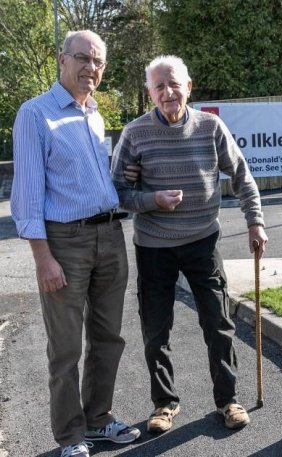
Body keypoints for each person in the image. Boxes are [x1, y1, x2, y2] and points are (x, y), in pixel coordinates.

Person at [110, 55, 267, 434]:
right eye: (159, 86)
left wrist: (255, 222)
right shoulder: (135, 133)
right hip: (154, 246)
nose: (168, 92)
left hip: (202, 241)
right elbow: (118, 192)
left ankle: (228, 400)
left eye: (174, 84)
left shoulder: (211, 127)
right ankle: (164, 404)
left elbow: (243, 177)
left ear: (188, 87)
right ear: (150, 92)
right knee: (156, 329)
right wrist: (153, 201)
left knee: (218, 323)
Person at [10, 30, 140, 457]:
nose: (91, 68)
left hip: (110, 235)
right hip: (65, 241)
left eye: (99, 62)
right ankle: (70, 436)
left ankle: (98, 420)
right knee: (65, 348)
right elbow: (27, 197)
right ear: (61, 60)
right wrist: (42, 258)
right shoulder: (35, 115)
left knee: (109, 339)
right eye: (83, 58)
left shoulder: (93, 114)